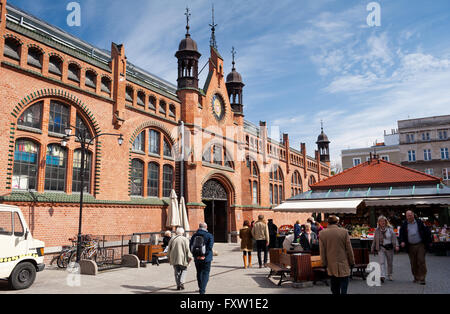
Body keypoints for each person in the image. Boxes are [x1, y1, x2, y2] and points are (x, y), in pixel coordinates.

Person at [319, 215, 355, 295]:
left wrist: (324, 263)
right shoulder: (344, 232)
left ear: (328, 222)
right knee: (344, 285)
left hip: (331, 264)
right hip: (343, 263)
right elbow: (349, 249)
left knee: (334, 287)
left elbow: (322, 251)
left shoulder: (322, 233)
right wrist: (352, 262)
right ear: (337, 222)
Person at [399, 210, 432, 285]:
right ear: (406, 216)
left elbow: (427, 232)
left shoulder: (419, 222)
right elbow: (401, 235)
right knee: (413, 262)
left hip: (420, 244)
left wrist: (429, 242)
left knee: (421, 261)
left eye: (411, 215)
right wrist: (402, 241)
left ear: (413, 215)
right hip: (410, 246)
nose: (409, 216)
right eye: (408, 215)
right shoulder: (404, 224)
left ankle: (422, 277)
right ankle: (416, 276)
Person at [371, 216, 399, 283]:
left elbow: (394, 238)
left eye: (383, 221)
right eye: (381, 221)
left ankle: (390, 274)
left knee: (390, 263)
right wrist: (372, 247)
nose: (382, 222)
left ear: (386, 222)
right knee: (382, 262)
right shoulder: (377, 230)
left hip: (389, 248)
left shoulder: (390, 229)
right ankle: (382, 276)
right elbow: (374, 240)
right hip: (381, 248)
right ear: (379, 222)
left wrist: (397, 245)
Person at [190, 222, 214, 294]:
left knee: (199, 272)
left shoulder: (194, 235)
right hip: (206, 258)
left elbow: (190, 246)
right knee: (206, 273)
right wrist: (204, 255)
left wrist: (196, 255)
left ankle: (200, 287)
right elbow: (210, 247)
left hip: (197, 258)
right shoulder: (209, 235)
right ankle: (202, 290)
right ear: (206, 227)